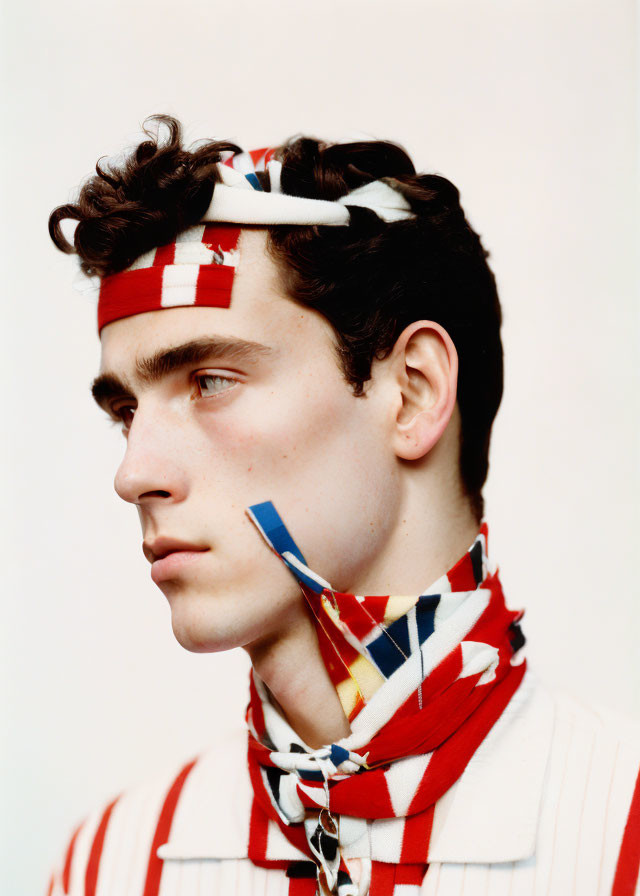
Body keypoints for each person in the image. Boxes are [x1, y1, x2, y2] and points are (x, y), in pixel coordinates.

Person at [45, 114, 639, 896]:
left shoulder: (619, 836)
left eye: (210, 381)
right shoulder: (109, 866)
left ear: (411, 393)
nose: (133, 472)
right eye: (127, 411)